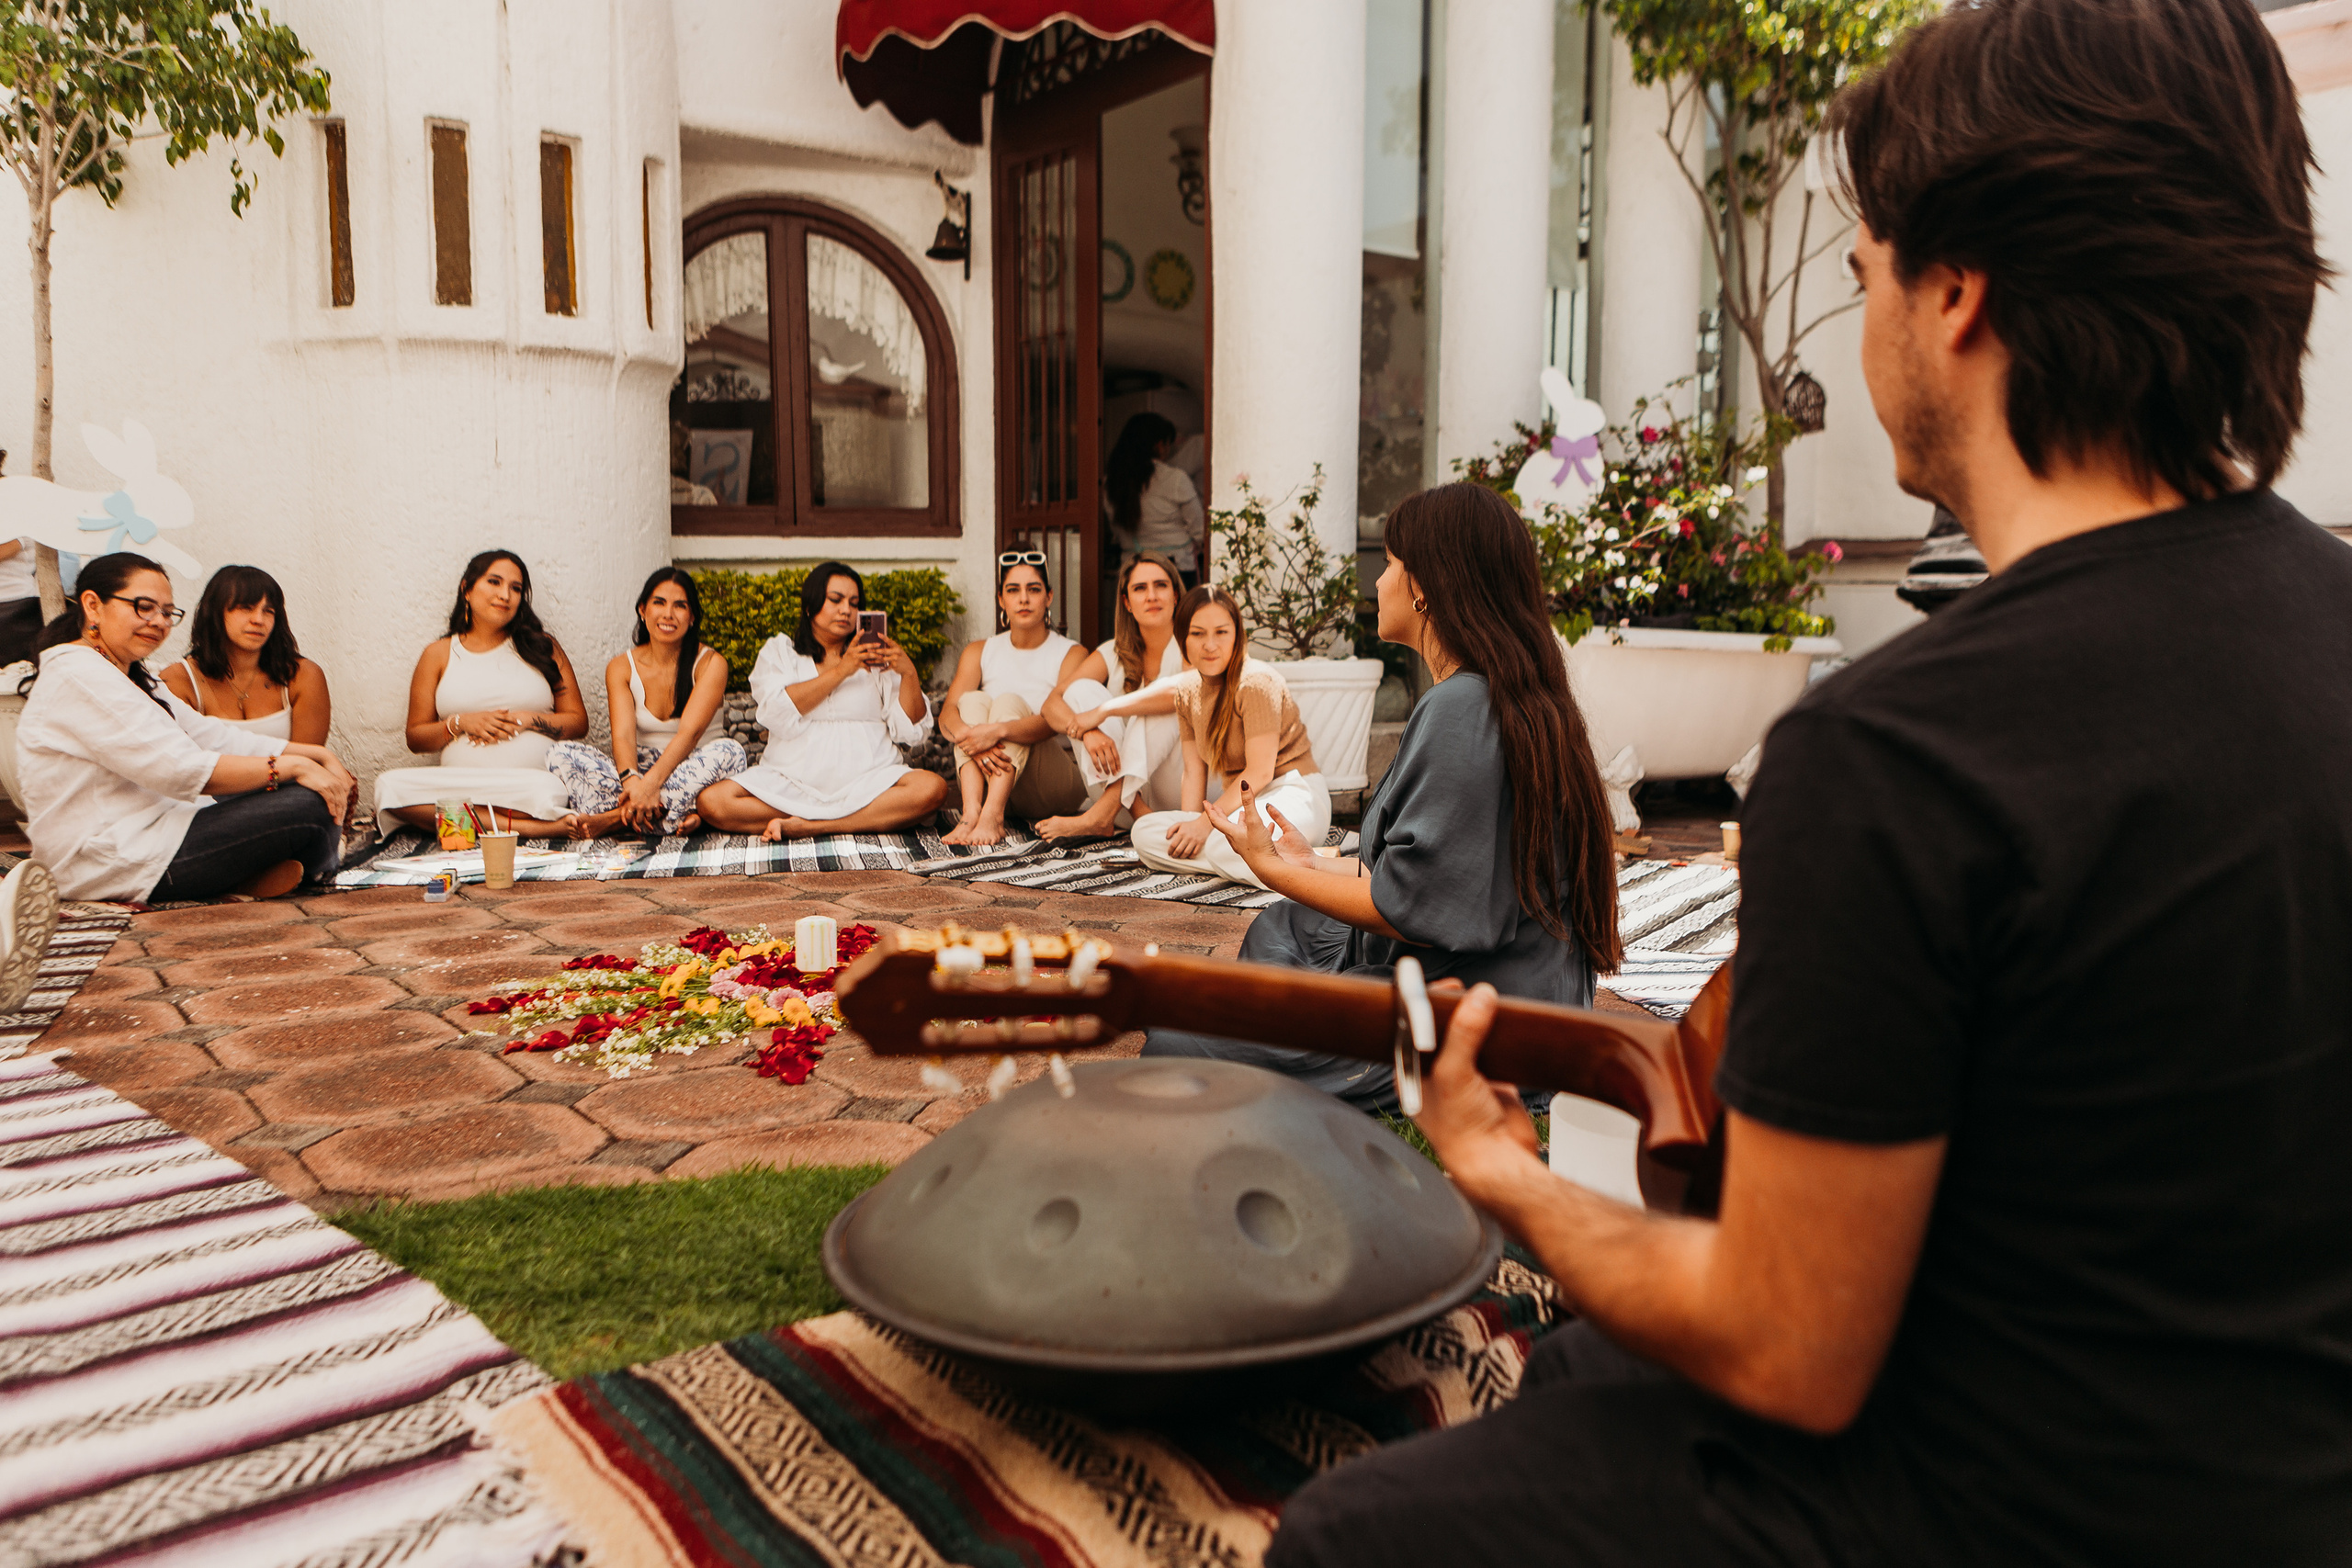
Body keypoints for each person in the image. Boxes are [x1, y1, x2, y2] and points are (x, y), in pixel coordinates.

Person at [1268, 5, 2352, 1564]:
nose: (1862, 325)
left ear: (1958, 292)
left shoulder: (1905, 747)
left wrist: (1501, 1171)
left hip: (2019, 1503)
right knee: (1577, 1365)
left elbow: (1787, 1342)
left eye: (1863, 273)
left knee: (1347, 1532)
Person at [1144, 486, 1618, 1111]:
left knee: (1180, 1040)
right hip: (1522, 997)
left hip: (1478, 1019)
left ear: (1425, 585)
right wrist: (1309, 862)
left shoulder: (1462, 708)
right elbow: (1438, 866)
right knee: (1288, 926)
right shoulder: (1496, 692)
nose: (1381, 579)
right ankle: (1299, 1010)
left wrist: (1270, 868)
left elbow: (1408, 907)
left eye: (1392, 563)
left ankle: (1300, 1027)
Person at [15, 552, 354, 903]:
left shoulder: (128, 672)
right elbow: (179, 770)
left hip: (165, 829)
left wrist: (314, 755)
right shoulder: (80, 675)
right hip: (111, 860)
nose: (158, 621)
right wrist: (292, 767)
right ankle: (309, 870)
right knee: (309, 802)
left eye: (166, 612)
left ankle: (258, 875)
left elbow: (209, 734)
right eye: (143, 607)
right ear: (93, 605)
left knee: (311, 786)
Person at [695, 562, 946, 839]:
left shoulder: (876, 658)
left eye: (854, 603)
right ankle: (847, 819)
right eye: (835, 600)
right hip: (792, 782)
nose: (846, 610)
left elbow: (912, 731)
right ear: (810, 605)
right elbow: (776, 711)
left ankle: (812, 827)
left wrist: (909, 673)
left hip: (868, 781)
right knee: (713, 803)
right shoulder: (781, 652)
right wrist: (843, 670)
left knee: (932, 789)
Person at [372, 550, 588, 840]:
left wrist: (528, 719)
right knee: (389, 787)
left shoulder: (542, 647)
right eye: (494, 582)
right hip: (460, 783)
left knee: (545, 792)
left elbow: (578, 722)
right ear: (467, 590)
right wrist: (461, 723)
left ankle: (467, 823)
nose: (505, 595)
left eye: (516, 588)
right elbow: (416, 738)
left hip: (527, 785)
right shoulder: (438, 654)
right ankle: (531, 829)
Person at [1129, 586, 1329, 888]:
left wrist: (1205, 825)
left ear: (1237, 635)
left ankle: (1308, 865)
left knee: (1228, 844)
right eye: (1197, 634)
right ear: (1182, 637)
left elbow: (1259, 772)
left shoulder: (1256, 682)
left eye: (1221, 632)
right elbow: (1194, 770)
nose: (1210, 645)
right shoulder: (1186, 693)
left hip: (1289, 794)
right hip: (1239, 810)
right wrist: (1190, 827)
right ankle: (1283, 863)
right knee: (1144, 833)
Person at [546, 569, 746, 838]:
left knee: (730, 751)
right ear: (642, 609)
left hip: (695, 763)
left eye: (680, 606)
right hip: (642, 770)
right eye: (659, 603)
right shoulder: (621, 667)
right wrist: (633, 782)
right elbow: (624, 736)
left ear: (692, 617)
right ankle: (672, 816)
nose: (668, 614)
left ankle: (617, 819)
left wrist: (651, 785)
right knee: (559, 753)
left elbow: (690, 733)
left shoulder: (712, 663)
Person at [1035, 551, 1190, 839]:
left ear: (1176, 595)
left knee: (1165, 703)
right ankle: (1125, 812)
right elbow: (1052, 704)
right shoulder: (1113, 652)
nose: (1152, 596)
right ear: (1127, 602)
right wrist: (1088, 732)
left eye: (1161, 585)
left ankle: (1100, 815)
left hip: (1181, 793)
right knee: (1080, 690)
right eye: (1140, 588)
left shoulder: (1193, 646)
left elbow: (1184, 694)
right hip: (1129, 806)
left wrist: (1105, 711)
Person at [937, 554, 1088, 847]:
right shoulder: (980, 651)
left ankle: (992, 815)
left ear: (1049, 597)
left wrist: (998, 732)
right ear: (1001, 599)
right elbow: (947, 715)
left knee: (1008, 704)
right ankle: (971, 813)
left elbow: (1055, 723)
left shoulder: (1072, 654)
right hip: (997, 780)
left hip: (1053, 785)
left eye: (1033, 589)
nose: (1023, 599)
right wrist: (974, 742)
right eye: (1013, 590)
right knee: (970, 702)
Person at [161, 565, 333, 745]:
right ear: (216, 613)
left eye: (268, 611)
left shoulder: (302, 675)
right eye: (245, 608)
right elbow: (181, 764)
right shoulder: (179, 680)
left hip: (295, 774)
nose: (258, 620)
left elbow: (310, 761)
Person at [1103, 412, 1204, 585]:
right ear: (1159, 445)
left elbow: (1115, 529)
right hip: (1174, 567)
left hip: (1132, 566)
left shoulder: (1111, 482)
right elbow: (1200, 529)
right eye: (1167, 444)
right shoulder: (1175, 478)